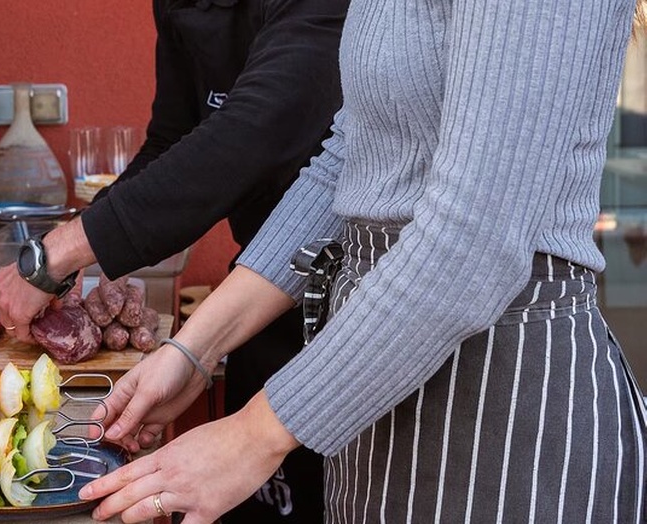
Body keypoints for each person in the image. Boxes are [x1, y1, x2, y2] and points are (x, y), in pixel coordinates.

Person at [76, 0, 647, 522]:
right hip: (372, 385)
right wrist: (194, 349)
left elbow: (475, 242)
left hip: (502, 402)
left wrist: (251, 437)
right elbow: (348, 165)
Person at [0, 0, 348, 521]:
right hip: (255, 300)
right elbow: (174, 141)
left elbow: (252, 132)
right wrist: (193, 353)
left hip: (356, 315)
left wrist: (60, 252)